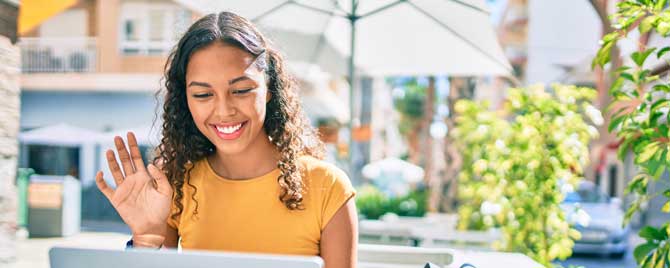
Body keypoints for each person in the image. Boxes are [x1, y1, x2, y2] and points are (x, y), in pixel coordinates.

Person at [95, 11, 357, 268]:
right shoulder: (175, 184)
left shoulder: (328, 187)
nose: (224, 110)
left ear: (268, 89)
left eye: (241, 90)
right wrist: (146, 239)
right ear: (185, 100)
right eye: (202, 95)